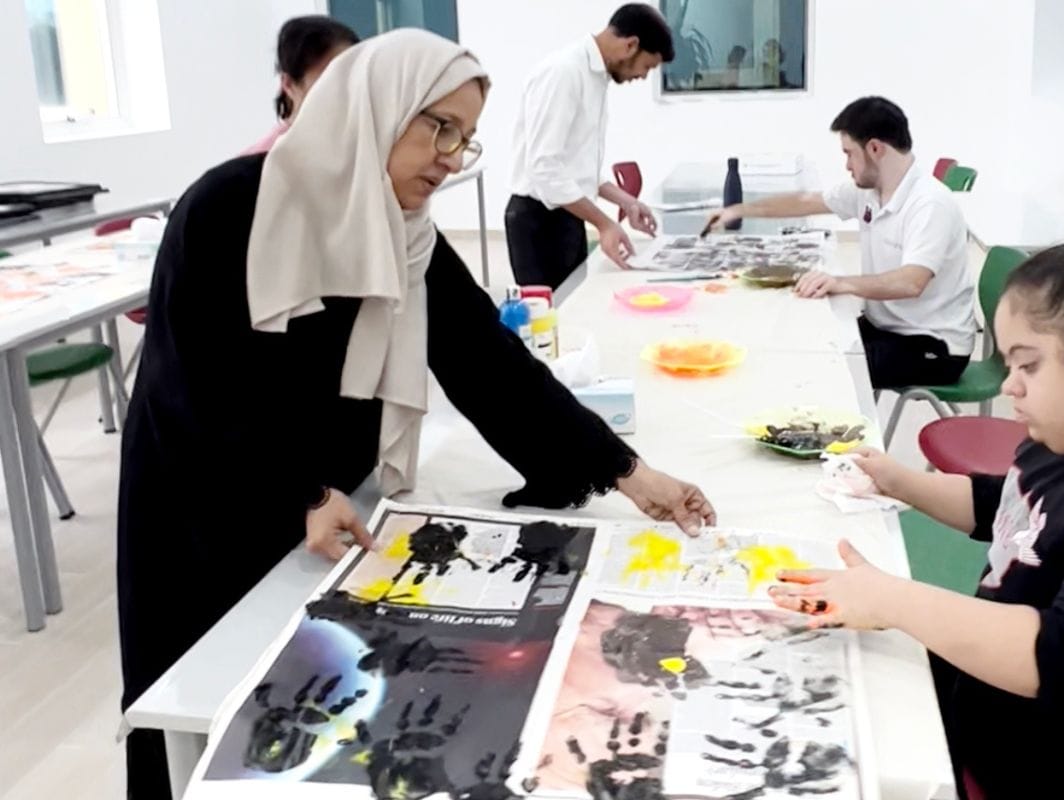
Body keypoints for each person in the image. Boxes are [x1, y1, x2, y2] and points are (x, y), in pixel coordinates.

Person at [118, 29, 714, 798]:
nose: (451, 156)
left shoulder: (406, 232)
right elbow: (194, 387)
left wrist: (628, 472)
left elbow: (490, 364)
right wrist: (299, 493)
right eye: (438, 126)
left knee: (320, 724)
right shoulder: (233, 205)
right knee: (206, 713)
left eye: (464, 138)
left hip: (334, 514)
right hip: (210, 509)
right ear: (376, 106)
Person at [768, 209, 1064, 798]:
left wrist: (891, 598)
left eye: (1028, 364)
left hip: (1051, 764)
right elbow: (1016, 507)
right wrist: (898, 482)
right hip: (982, 698)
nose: (1008, 385)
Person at [705, 96, 975, 389]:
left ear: (875, 149)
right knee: (801, 339)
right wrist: (739, 210)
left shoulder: (929, 203)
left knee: (819, 367)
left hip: (932, 346)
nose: (847, 165)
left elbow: (911, 283)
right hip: (885, 328)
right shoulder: (869, 192)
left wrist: (839, 282)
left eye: (849, 154)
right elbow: (806, 201)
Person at [506, 3, 674, 288]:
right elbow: (544, 168)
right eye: (647, 67)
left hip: (569, 214)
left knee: (575, 303)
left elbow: (575, 167)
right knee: (552, 311)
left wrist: (627, 201)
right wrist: (605, 224)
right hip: (538, 222)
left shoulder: (595, 77)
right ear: (631, 45)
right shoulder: (564, 73)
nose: (643, 77)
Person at [242, 15, 359, 155]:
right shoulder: (263, 163)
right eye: (327, 84)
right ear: (289, 85)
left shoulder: (365, 142)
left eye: (352, 77)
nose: (344, 94)